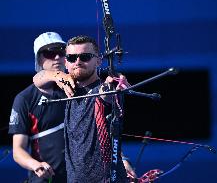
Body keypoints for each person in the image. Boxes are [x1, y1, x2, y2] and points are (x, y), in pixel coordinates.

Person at [33, 35, 136, 182]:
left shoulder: (102, 90)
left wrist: (114, 83)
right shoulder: (67, 86)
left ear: (99, 60)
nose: (78, 62)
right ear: (66, 62)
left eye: (85, 57)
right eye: (72, 58)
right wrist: (57, 76)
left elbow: (106, 93)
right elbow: (38, 79)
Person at [8, 32, 69, 182]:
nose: (57, 57)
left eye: (61, 52)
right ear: (38, 59)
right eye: (50, 53)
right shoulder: (24, 99)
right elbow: (18, 150)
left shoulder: (77, 88)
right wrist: (35, 165)